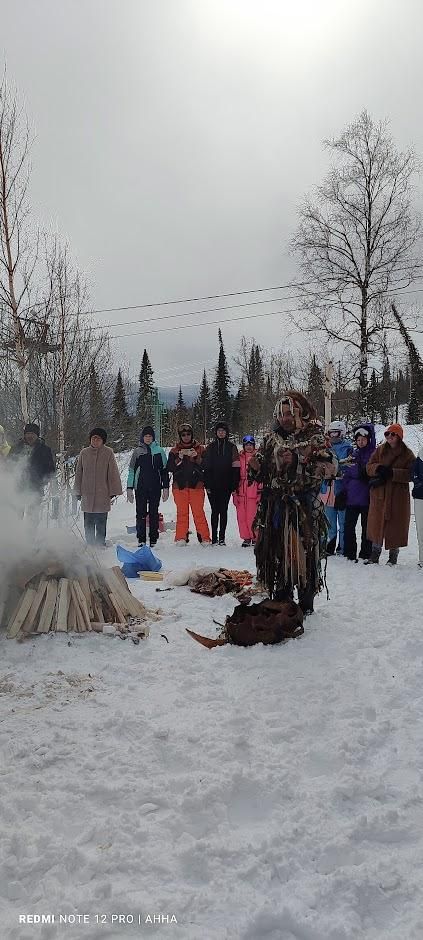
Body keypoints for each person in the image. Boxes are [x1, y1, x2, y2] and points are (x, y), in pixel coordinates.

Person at [248, 392, 338, 615]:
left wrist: (297, 461)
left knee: (305, 555)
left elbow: (329, 469)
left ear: (299, 413)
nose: (284, 418)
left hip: (303, 510)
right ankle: (281, 596)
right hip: (275, 507)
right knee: (277, 553)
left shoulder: (314, 437)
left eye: (288, 414)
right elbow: (263, 470)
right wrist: (255, 468)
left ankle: (306, 600)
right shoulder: (271, 439)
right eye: (280, 414)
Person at [365, 423, 415, 566]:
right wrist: (378, 468)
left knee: (396, 525)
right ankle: (374, 554)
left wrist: (394, 473)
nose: (389, 437)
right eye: (387, 434)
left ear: (399, 436)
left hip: (397, 495)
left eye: (393, 434)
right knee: (376, 524)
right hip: (380, 493)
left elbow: (412, 474)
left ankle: (393, 556)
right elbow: (369, 466)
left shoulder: (408, 454)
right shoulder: (380, 450)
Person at [74, 428, 122, 547]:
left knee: (101, 520)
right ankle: (90, 544)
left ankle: (100, 544)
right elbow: (79, 473)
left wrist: (113, 490)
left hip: (102, 493)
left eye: (98, 438)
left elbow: (113, 472)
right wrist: (77, 491)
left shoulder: (108, 452)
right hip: (87, 492)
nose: (95, 440)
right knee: (88, 521)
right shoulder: (84, 453)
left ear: (103, 440)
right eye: (93, 438)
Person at [336, 423, 376, 562]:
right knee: (348, 527)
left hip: (366, 498)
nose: (360, 442)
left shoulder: (373, 454)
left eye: (363, 440)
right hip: (352, 497)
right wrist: (343, 492)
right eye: (358, 440)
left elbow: (369, 472)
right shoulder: (354, 454)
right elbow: (348, 472)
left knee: (366, 528)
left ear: (368, 439)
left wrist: (360, 472)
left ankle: (366, 553)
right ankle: (349, 553)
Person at [167, 423, 211, 545]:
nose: (186, 437)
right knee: (182, 513)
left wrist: (196, 457)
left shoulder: (201, 449)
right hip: (179, 486)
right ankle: (181, 537)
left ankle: (204, 537)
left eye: (188, 434)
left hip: (196, 485)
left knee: (199, 512)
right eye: (183, 435)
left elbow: (207, 466)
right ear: (180, 436)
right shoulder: (174, 450)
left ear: (192, 435)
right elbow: (170, 467)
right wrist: (179, 458)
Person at [126, 426, 169, 547]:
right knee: (141, 513)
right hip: (140, 487)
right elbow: (131, 471)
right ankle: (141, 539)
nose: (148, 438)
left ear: (153, 438)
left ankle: (154, 539)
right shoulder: (137, 452)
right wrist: (129, 488)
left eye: (150, 436)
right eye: (146, 436)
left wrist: (165, 488)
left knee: (154, 513)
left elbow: (164, 471)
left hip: (155, 487)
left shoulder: (160, 451)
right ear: (142, 437)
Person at [8, 422, 56, 522]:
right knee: (16, 515)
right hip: (18, 488)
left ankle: (30, 537)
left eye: (32, 434)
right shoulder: (16, 448)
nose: (30, 436)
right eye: (28, 433)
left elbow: (51, 469)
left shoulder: (44, 450)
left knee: (33, 517)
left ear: (37, 435)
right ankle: (15, 536)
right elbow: (8, 465)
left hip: (35, 489)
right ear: (24, 434)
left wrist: (41, 481)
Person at [203, 421, 240, 545]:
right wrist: (207, 484)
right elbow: (206, 467)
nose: (221, 433)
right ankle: (214, 537)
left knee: (223, 510)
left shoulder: (232, 447)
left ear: (226, 433)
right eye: (219, 431)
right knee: (215, 510)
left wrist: (234, 484)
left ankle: (222, 537)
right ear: (216, 432)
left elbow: (236, 467)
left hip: (226, 484)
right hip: (213, 484)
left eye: (223, 431)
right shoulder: (210, 447)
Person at [320, 420, 353, 555]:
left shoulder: (347, 447)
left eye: (336, 433)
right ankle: (328, 547)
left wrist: (341, 470)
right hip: (327, 489)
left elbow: (351, 464)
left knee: (343, 523)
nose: (333, 436)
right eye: (331, 433)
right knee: (329, 523)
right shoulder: (325, 447)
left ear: (342, 433)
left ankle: (343, 548)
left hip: (342, 489)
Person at [233, 434, 261, 546]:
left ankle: (255, 537)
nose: (249, 447)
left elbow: (261, 474)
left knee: (253, 516)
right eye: (246, 445)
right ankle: (246, 537)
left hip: (253, 488)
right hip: (241, 490)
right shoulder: (239, 457)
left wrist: (260, 489)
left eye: (251, 445)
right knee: (241, 516)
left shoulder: (258, 457)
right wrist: (234, 489)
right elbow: (234, 474)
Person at [412, 442, 423, 568]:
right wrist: (419, 485)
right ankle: (422, 559)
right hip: (420, 497)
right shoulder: (420, 455)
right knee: (421, 529)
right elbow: (414, 475)